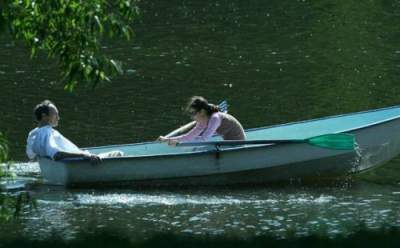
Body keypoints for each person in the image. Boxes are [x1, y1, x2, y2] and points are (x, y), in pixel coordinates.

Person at [26, 100, 121, 163]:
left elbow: (32, 156)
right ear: (44, 116)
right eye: (55, 115)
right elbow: (57, 154)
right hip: (81, 161)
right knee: (118, 153)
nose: (58, 118)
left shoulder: (34, 133)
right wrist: (85, 155)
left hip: (77, 158)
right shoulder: (48, 133)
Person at [159, 96, 246, 146]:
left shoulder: (215, 118)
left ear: (202, 112)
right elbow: (188, 137)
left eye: (193, 113)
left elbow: (204, 139)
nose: (192, 117)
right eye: (190, 114)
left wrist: (178, 143)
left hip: (238, 145)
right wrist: (167, 139)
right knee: (196, 144)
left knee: (198, 144)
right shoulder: (203, 121)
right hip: (228, 144)